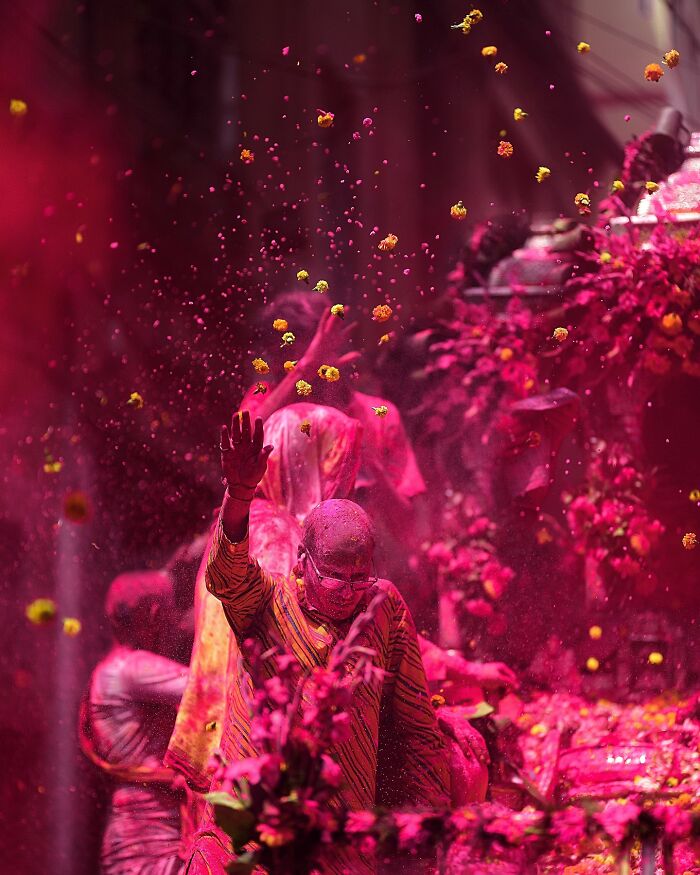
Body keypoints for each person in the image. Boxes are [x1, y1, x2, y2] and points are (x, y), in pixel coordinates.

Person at [187, 411, 450, 874]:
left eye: (359, 577)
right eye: (333, 576)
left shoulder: (382, 607)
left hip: (339, 844)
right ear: (303, 561)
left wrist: (428, 824)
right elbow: (226, 574)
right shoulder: (268, 601)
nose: (349, 591)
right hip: (248, 838)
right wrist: (240, 493)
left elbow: (417, 726)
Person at [80, 570, 192, 875]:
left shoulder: (106, 671)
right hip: (150, 842)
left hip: (132, 837)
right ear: (156, 613)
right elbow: (210, 688)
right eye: (171, 612)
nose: (177, 623)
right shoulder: (132, 668)